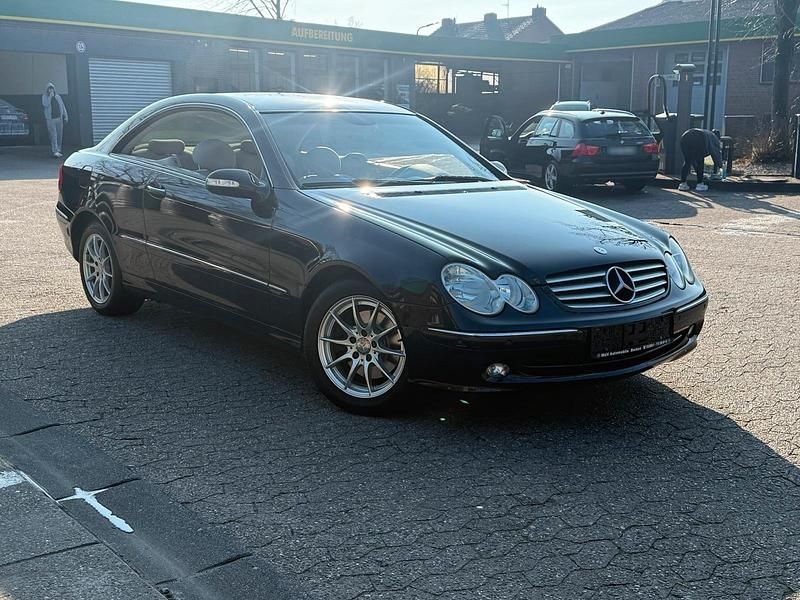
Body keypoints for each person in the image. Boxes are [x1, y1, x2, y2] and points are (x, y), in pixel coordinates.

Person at [678, 128, 722, 193]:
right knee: (700, 161)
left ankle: (682, 184)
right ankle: (699, 184)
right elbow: (716, 154)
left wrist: (696, 171)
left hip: (685, 136)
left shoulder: (707, 132)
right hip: (700, 137)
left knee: (687, 160)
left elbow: (693, 159)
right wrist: (720, 166)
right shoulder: (715, 139)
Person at [41, 82, 68, 158]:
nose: (51, 90)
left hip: (59, 118)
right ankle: (55, 151)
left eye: (52, 88)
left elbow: (62, 106)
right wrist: (50, 97)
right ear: (47, 90)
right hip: (50, 119)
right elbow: (45, 105)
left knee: (60, 134)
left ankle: (59, 149)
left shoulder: (58, 97)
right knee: (53, 135)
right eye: (49, 88)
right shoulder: (44, 97)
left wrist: (65, 116)